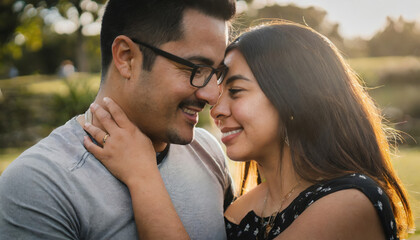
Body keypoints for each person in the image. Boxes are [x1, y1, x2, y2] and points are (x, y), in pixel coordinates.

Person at [82, 21, 414, 240]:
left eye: (236, 91)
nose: (217, 106)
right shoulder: (242, 208)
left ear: (294, 99)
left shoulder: (350, 202)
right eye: (219, 90)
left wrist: (142, 175)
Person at [0, 0, 236, 239]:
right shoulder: (41, 185)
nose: (213, 95)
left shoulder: (209, 151)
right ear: (126, 57)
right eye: (196, 69)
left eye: (216, 73)